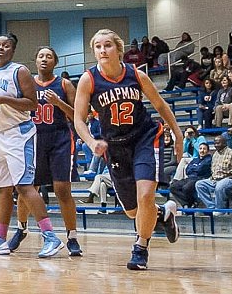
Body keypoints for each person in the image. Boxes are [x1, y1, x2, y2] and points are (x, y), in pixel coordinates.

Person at [73, 28, 183, 270]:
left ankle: (140, 248)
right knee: (134, 211)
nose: (103, 50)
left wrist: (177, 134)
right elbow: (78, 120)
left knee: (145, 196)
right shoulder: (88, 79)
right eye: (98, 46)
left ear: (118, 49)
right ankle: (163, 213)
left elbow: (161, 105)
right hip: (114, 146)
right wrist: (91, 142)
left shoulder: (136, 75)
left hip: (144, 137)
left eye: (108, 45)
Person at [0, 34, 64, 259]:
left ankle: (51, 237)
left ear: (12, 50)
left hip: (18, 135)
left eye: (5, 46)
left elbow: (32, 104)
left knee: (24, 187)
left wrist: (5, 99)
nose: (0, 48)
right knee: (0, 189)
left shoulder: (20, 71)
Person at [11, 47, 82, 257]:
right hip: (32, 139)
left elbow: (78, 117)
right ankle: (21, 228)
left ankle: (72, 236)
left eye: (49, 56)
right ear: (35, 60)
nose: (44, 59)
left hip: (59, 138)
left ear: (55, 62)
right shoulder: (27, 83)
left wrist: (58, 103)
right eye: (41, 55)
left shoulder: (64, 84)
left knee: (62, 190)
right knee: (26, 188)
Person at [194, 136, 232, 211]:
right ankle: (212, 207)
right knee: (199, 184)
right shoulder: (215, 154)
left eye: (218, 143)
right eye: (214, 143)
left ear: (224, 143)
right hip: (214, 179)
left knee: (219, 186)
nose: (215, 145)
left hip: (228, 178)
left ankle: (220, 210)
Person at [168, 142, 211, 207]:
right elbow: (188, 170)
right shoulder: (195, 159)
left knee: (186, 188)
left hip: (199, 178)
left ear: (207, 151)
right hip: (189, 178)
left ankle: (189, 204)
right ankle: (187, 203)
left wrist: (194, 168)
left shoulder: (208, 160)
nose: (202, 150)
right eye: (200, 148)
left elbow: (201, 170)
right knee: (172, 187)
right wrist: (196, 168)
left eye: (204, 149)